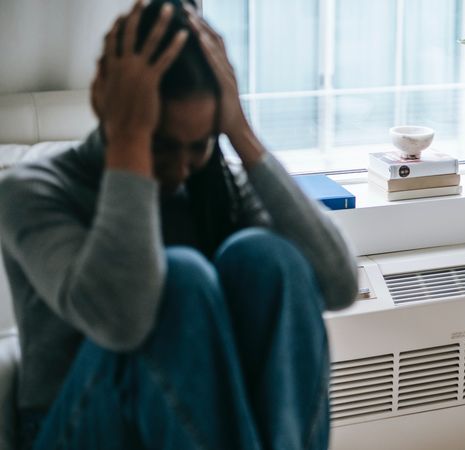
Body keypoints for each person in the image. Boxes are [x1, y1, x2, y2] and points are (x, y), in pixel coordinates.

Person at [0, 1, 358, 448]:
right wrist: (129, 143)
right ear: (107, 103)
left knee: (269, 258)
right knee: (182, 277)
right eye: (162, 145)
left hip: (198, 426)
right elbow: (121, 321)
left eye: (199, 145)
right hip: (73, 424)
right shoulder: (34, 191)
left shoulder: (213, 186)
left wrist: (240, 134)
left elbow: (340, 285)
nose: (181, 169)